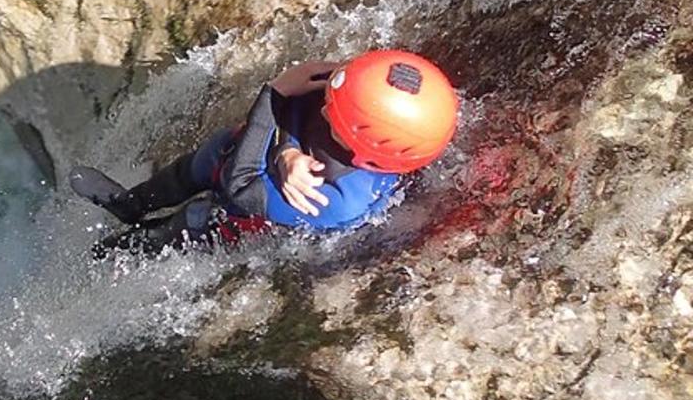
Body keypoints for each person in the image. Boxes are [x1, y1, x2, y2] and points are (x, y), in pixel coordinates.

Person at [69, 50, 459, 257]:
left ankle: (118, 253)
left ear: (365, 154)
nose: (324, 107)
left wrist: (272, 94)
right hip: (247, 161)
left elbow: (242, 189)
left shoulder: (339, 201)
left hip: (240, 213)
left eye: (334, 114)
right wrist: (286, 151)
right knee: (206, 159)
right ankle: (131, 205)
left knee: (195, 217)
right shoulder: (364, 98)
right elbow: (304, 95)